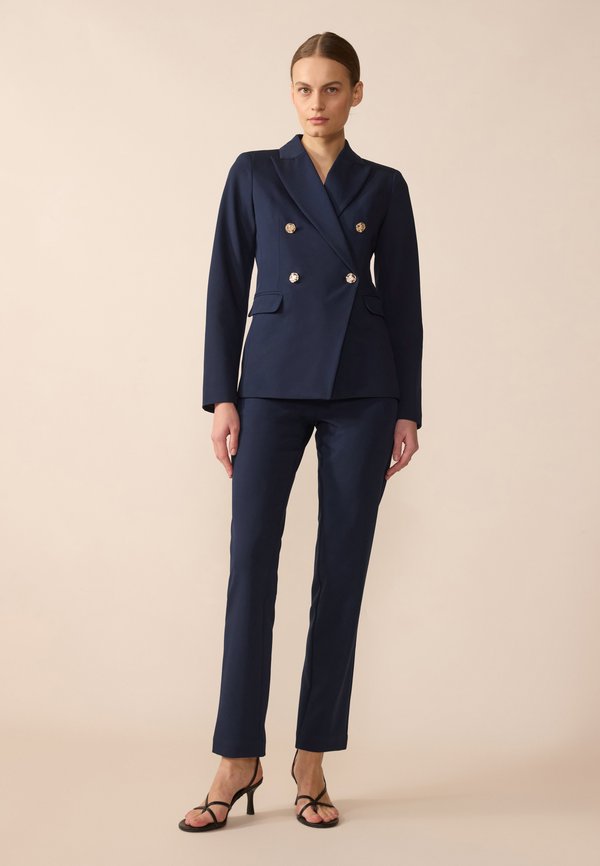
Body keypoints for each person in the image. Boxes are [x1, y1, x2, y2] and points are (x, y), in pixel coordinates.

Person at [179, 30, 423, 832]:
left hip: (363, 389)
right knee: (251, 563)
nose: (316, 103)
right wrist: (222, 397)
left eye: (332, 88)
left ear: (357, 94)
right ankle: (236, 757)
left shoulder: (383, 185)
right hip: (272, 386)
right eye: (304, 88)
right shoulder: (255, 173)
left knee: (341, 573)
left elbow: (405, 302)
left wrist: (407, 407)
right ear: (291, 94)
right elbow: (225, 285)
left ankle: (311, 760)